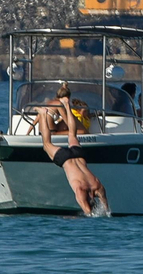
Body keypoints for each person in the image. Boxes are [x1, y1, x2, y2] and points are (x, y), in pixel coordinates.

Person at [36, 83, 107, 216]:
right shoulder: (80, 190)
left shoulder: (98, 186)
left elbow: (107, 209)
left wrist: (105, 209)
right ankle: (43, 114)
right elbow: (88, 212)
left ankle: (67, 106)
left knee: (72, 134)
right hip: (65, 160)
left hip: (79, 156)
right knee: (46, 144)